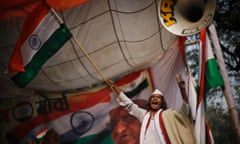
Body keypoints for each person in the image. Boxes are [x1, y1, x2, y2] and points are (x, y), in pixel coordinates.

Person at [106, 75, 195, 144]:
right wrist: (116, 90)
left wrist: (183, 91)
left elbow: (186, 111)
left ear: (162, 103)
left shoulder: (169, 115)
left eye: (157, 98)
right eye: (153, 98)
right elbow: (129, 105)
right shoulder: (145, 116)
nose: (155, 99)